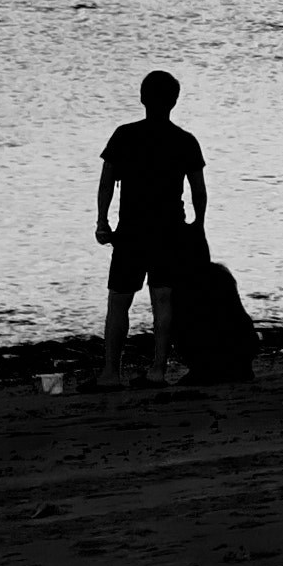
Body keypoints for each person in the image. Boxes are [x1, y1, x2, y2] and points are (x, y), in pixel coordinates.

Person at [94, 68, 209, 386]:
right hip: (169, 230)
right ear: (174, 101)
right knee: (163, 300)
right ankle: (158, 369)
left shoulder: (124, 135)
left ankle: (111, 373)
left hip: (131, 229)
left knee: (119, 300)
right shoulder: (185, 141)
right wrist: (198, 225)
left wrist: (102, 221)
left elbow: (106, 182)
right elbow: (198, 191)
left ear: (143, 98)